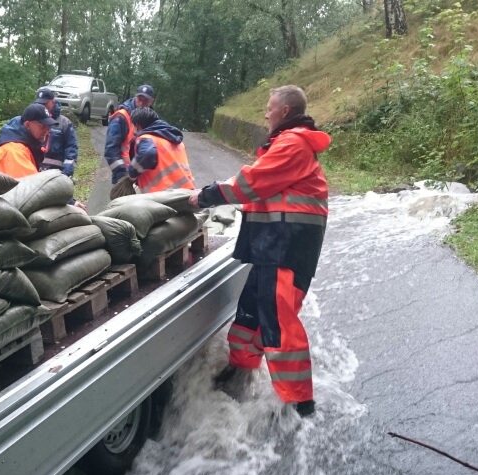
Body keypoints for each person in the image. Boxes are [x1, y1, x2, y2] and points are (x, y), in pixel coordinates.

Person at [187, 85, 330, 417]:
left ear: (283, 111)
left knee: (279, 323)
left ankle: (298, 405)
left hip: (287, 248)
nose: (265, 114)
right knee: (250, 314)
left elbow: (250, 184)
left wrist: (205, 196)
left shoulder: (292, 145)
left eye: (269, 108)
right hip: (273, 248)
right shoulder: (286, 145)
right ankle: (240, 372)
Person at [127, 108, 195, 193]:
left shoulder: (146, 138)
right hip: (188, 193)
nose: (132, 130)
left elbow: (148, 154)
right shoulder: (176, 141)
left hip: (163, 196)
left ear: (137, 125)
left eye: (133, 125)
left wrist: (131, 174)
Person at [104, 84, 155, 185]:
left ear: (151, 101)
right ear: (135, 97)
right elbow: (111, 149)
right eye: (139, 99)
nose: (141, 103)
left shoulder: (150, 117)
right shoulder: (121, 117)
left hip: (142, 176)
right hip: (124, 173)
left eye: (145, 101)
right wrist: (122, 173)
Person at [0, 103, 56, 178]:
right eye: (42, 126)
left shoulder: (26, 146)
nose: (46, 130)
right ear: (27, 125)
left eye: (48, 127)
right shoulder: (15, 152)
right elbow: (30, 186)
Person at [34, 87, 78, 177]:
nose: (42, 106)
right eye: (39, 103)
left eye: (45, 103)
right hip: (34, 172)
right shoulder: (32, 121)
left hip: (57, 174)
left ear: (52, 102)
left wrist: (66, 173)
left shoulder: (64, 123)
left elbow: (71, 148)